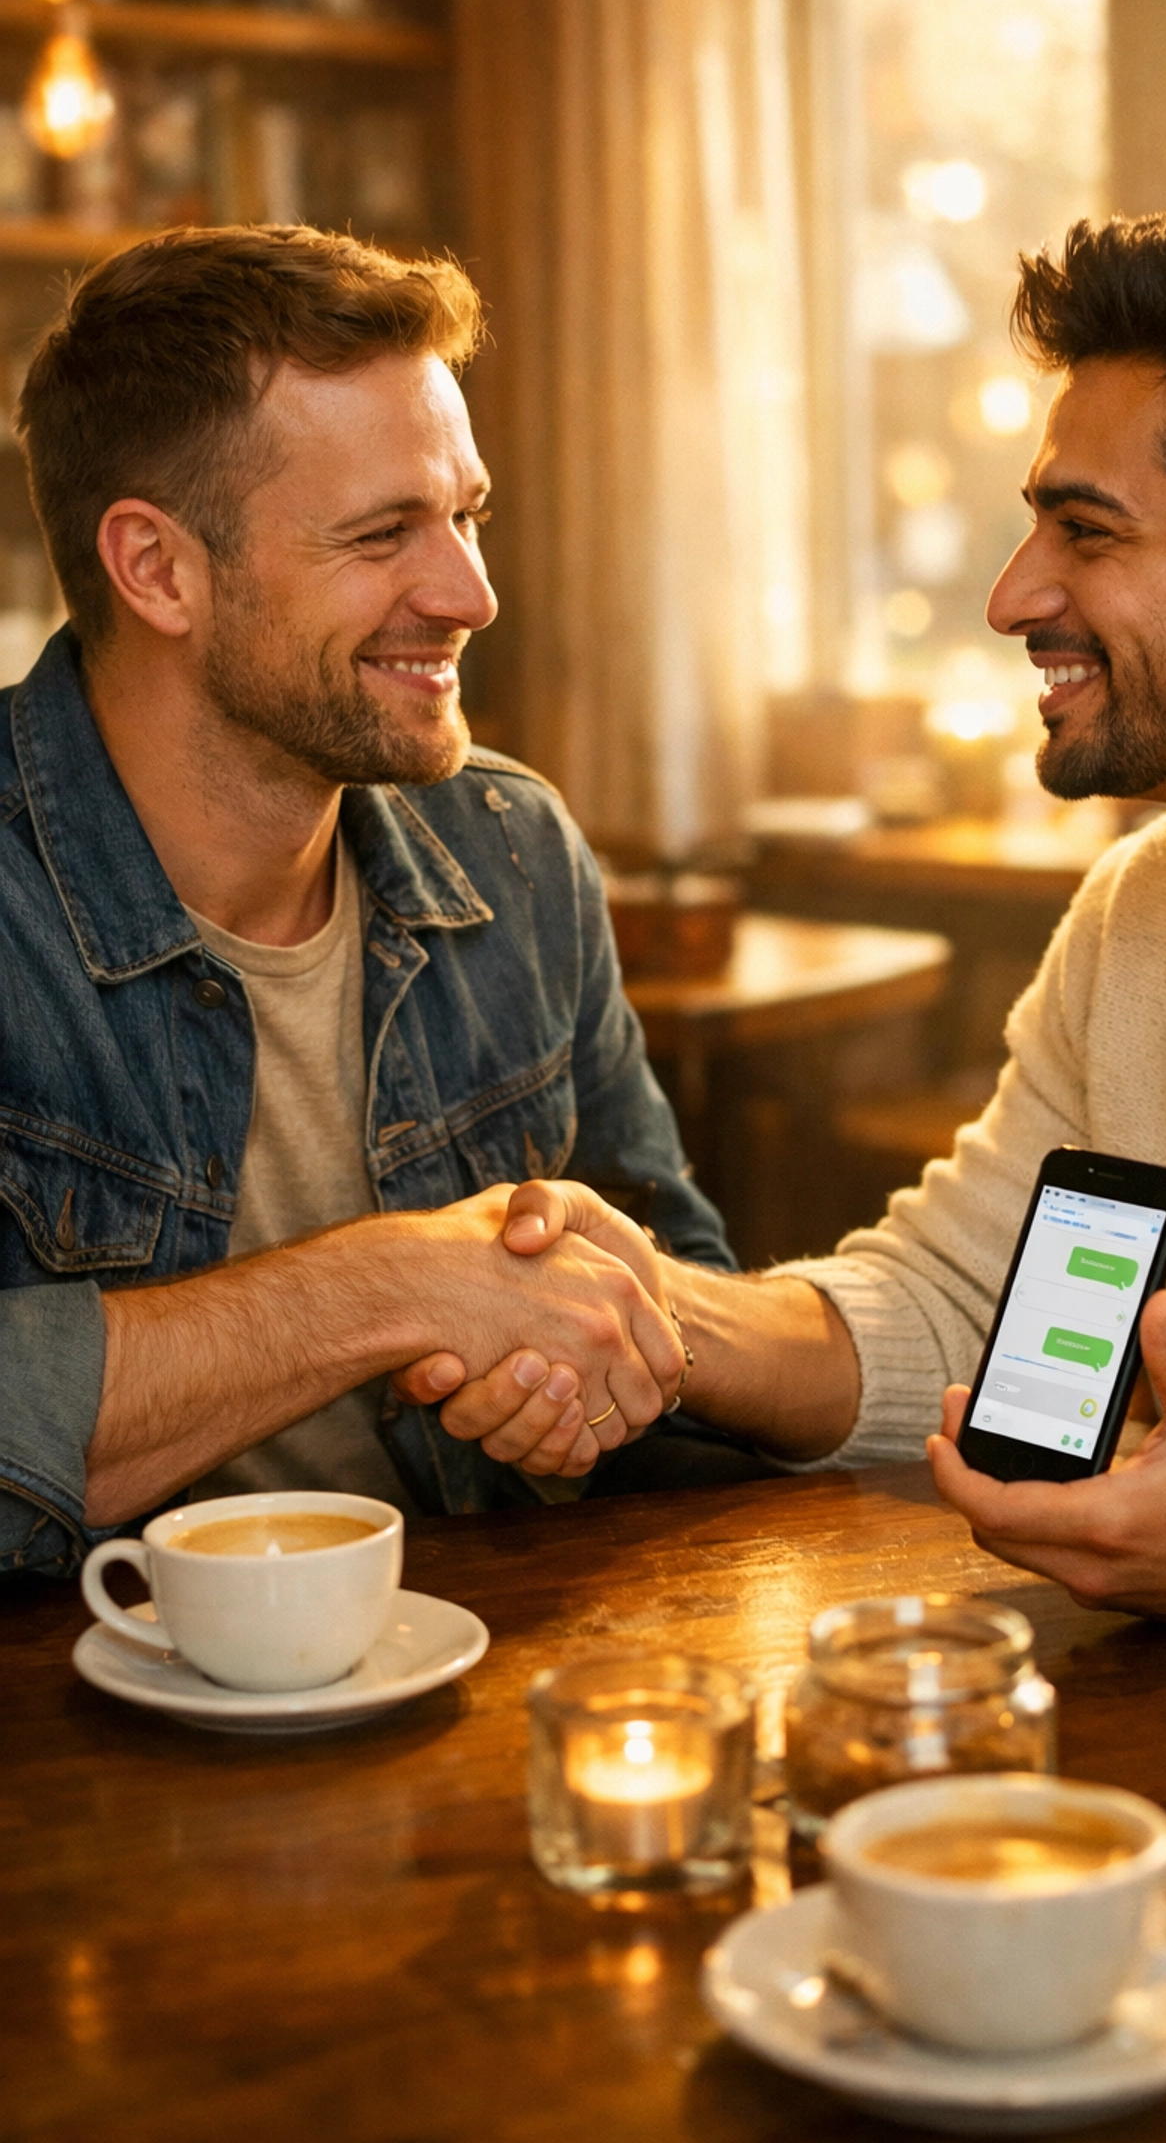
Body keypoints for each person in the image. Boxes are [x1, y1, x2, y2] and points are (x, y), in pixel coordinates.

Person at [434, 205, 1166, 2000]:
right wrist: (645, 1303)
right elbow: (965, 1306)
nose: (1015, 591)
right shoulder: (1149, 914)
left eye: (1083, 530)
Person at [0, 221, 753, 1578]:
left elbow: (683, 1312)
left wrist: (610, 1379)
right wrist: (392, 1285)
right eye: (382, 533)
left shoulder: (514, 846)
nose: (472, 592)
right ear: (157, 568)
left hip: (474, 1681)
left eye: (465, 513)